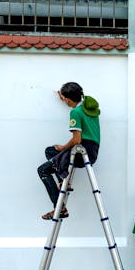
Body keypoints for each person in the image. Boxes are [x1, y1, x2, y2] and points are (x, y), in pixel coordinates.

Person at [38, 82, 101, 220]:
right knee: (50, 151)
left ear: (67, 99)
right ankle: (63, 182)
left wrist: (62, 147)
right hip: (93, 151)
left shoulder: (75, 112)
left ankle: (59, 208)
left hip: (81, 152)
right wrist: (63, 96)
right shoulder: (88, 107)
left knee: (42, 170)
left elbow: (77, 139)